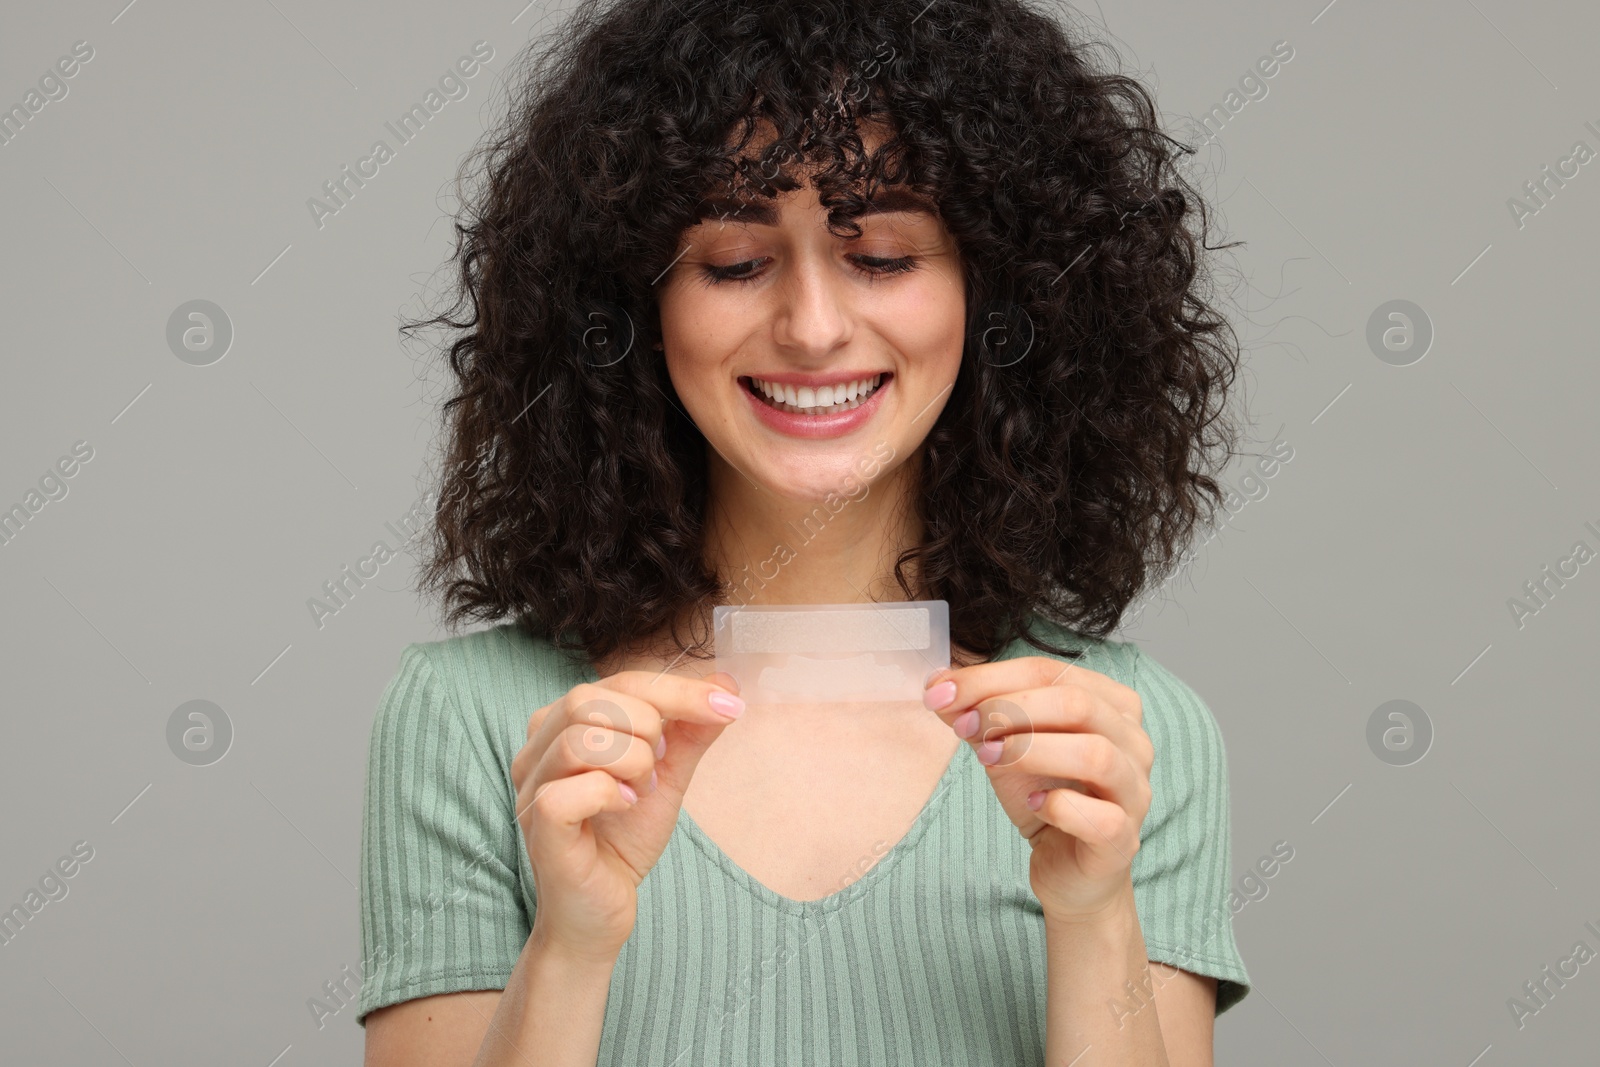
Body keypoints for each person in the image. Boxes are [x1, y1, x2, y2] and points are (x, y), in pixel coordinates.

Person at [357, 0, 1252, 1062]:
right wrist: (574, 943)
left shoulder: (1122, 743)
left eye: (879, 254)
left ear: (996, 293)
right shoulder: (473, 724)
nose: (813, 328)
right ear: (632, 305)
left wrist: (1095, 913)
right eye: (734, 261)